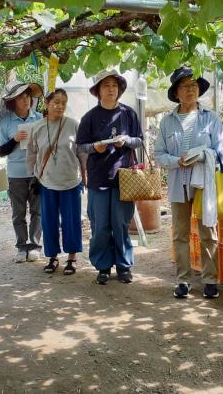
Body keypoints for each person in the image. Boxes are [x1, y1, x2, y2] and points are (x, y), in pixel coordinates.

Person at [154, 67, 223, 300]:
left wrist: (203, 155)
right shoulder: (167, 122)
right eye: (185, 86)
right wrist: (177, 161)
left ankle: (210, 280)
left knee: (208, 231)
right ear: (176, 92)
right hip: (178, 182)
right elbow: (159, 155)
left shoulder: (211, 118)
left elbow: (221, 151)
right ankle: (183, 280)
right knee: (180, 234)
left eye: (194, 85)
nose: (190, 89)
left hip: (204, 183)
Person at [76, 70, 143, 285]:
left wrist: (127, 142)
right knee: (100, 225)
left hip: (124, 178)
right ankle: (103, 266)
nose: (111, 89)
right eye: (106, 86)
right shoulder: (89, 118)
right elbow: (81, 146)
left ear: (119, 90)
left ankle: (124, 266)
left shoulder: (129, 114)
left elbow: (139, 140)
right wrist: (96, 147)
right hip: (98, 179)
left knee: (121, 223)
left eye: (114, 85)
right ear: (98, 91)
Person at [27, 89, 83, 275]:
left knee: (71, 221)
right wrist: (33, 176)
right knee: (49, 221)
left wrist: (85, 175)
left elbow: (82, 153)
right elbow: (32, 154)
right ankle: (52, 257)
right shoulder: (37, 127)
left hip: (70, 181)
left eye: (63, 103)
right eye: (56, 102)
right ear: (47, 103)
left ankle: (72, 258)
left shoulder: (73, 125)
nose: (59, 106)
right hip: (47, 182)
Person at [0, 81, 44, 263]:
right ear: (13, 101)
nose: (26, 100)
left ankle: (35, 246)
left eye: (28, 96)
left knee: (37, 211)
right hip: (15, 174)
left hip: (37, 172)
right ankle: (22, 247)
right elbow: (0, 150)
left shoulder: (39, 118)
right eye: (21, 97)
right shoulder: (5, 122)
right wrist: (15, 139)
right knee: (19, 213)